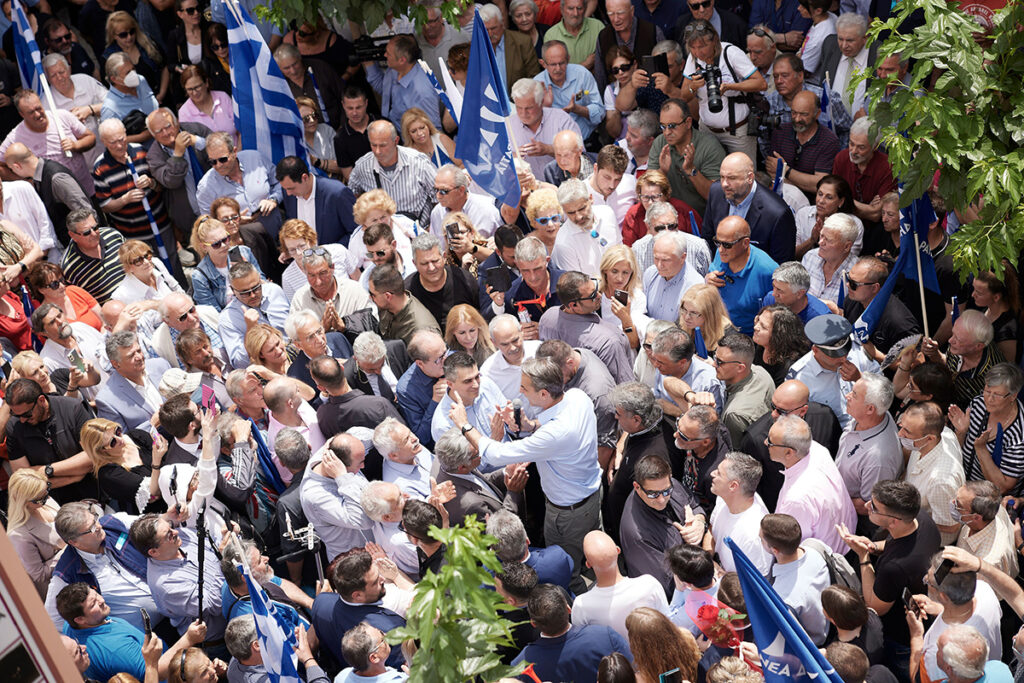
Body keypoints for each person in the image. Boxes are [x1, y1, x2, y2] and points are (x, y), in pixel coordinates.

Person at [450, 357, 602, 593]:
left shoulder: (556, 433)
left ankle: (579, 601)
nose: (519, 392)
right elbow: (547, 431)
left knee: (568, 571)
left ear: (543, 394)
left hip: (567, 513)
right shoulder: (576, 397)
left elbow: (498, 454)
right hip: (590, 496)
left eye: (524, 388)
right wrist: (527, 426)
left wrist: (464, 425)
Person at [837, 480, 942, 680]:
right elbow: (896, 543)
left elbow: (874, 605)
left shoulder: (895, 567)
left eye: (874, 507)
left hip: (901, 638)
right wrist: (873, 547)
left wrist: (863, 556)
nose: (867, 506)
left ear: (893, 521)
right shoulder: (921, 519)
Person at [92, 118, 178, 276]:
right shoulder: (100, 167)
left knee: (172, 262)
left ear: (126, 134)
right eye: (113, 142)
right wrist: (125, 199)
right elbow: (105, 205)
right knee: (148, 271)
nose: (119, 145)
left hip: (160, 224)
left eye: (121, 139)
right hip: (133, 234)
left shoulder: (142, 151)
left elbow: (162, 186)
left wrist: (151, 183)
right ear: (103, 142)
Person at [678, 21, 767, 160]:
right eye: (693, 47)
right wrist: (694, 87)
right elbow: (684, 96)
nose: (698, 52)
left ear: (714, 40)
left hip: (737, 131)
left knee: (743, 176)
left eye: (702, 46)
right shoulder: (693, 58)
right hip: (707, 130)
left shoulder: (731, 53)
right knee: (710, 174)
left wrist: (729, 87)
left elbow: (761, 83)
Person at [619, 455, 707, 594]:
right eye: (653, 494)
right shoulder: (638, 535)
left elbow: (694, 504)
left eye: (666, 491)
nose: (661, 500)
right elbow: (667, 583)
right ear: (637, 487)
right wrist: (694, 549)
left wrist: (699, 522)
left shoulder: (670, 484)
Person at [769, 413, 857, 552]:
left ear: (789, 453)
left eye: (770, 442)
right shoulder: (817, 449)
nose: (765, 443)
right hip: (845, 541)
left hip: (826, 562)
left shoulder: (797, 500)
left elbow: (791, 548)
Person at [310, 547, 410, 669]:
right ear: (357, 595)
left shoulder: (321, 602)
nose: (383, 579)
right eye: (375, 581)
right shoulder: (391, 627)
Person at [7, 376, 98, 504]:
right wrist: (73, 477)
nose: (22, 420)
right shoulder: (14, 427)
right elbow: (23, 479)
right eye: (16, 415)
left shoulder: (73, 409)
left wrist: (46, 470)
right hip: (51, 501)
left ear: (41, 400)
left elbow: (92, 457)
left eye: (27, 414)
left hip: (93, 492)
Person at [513, 583, 632, 681]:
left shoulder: (520, 665)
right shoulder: (605, 636)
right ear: (568, 609)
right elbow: (633, 669)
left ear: (533, 623)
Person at [571, 530, 670, 639]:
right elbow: (668, 622)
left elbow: (583, 641)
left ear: (588, 564)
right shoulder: (649, 584)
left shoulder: (581, 605)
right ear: (618, 550)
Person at [702, 152, 797, 264]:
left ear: (750, 178)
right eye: (722, 177)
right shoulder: (716, 192)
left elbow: (783, 266)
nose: (724, 184)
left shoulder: (777, 214)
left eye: (732, 178)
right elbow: (708, 238)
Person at [835, 373, 902, 527]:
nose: (847, 396)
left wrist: (832, 498)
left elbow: (867, 506)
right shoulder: (872, 417)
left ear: (870, 409)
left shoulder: (878, 459)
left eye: (854, 395)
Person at [1, 90, 97, 196]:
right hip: (55, 200)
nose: (37, 114)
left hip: (86, 189)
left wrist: (76, 145)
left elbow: (91, 137)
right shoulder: (15, 137)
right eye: (31, 112)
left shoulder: (62, 116)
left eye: (38, 108)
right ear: (21, 114)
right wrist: (26, 182)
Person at [348, 120, 438, 226]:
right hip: (381, 235)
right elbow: (352, 195)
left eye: (383, 145)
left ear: (396, 141)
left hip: (418, 230)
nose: (377, 151)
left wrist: (431, 228)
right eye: (373, 145)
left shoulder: (419, 162)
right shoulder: (362, 166)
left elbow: (439, 196)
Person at [144, 108, 211, 247]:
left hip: (219, 204)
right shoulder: (154, 156)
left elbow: (219, 147)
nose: (166, 133)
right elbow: (170, 181)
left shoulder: (195, 129)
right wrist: (178, 154)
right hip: (191, 220)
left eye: (168, 126)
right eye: (159, 131)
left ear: (176, 123)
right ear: (153, 135)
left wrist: (197, 141)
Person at [953, 362, 1024, 495]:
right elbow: (958, 449)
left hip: (986, 500)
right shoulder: (978, 404)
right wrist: (961, 433)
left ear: (1013, 396)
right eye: (987, 391)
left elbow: (1002, 487)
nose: (989, 399)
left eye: (997, 395)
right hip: (961, 484)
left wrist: (981, 449)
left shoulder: (1018, 436)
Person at [760, 513, 832, 645]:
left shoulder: (783, 598)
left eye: (761, 540)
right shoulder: (814, 547)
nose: (759, 541)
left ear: (775, 550)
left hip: (813, 644)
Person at [4, 142, 91, 250]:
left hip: (86, 245)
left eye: (11, 169)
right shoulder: (39, 178)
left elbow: (87, 211)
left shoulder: (56, 178)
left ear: (17, 166)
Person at [900, 401, 965, 544]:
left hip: (930, 541)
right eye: (901, 427)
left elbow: (951, 526)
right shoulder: (942, 433)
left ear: (930, 438)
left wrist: (905, 521)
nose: (900, 434)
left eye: (907, 432)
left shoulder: (941, 481)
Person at [196, 132, 283, 239]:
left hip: (275, 227)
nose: (218, 165)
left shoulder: (256, 159)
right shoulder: (206, 186)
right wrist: (231, 222)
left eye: (223, 159)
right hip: (242, 239)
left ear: (234, 152)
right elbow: (208, 224)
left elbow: (280, 182)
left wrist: (273, 200)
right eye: (213, 162)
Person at [648, 99, 726, 217]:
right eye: (663, 126)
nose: (667, 132)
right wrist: (662, 172)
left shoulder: (709, 146)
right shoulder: (660, 143)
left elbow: (715, 196)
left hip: (702, 219)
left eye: (672, 126)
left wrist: (691, 170)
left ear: (688, 122)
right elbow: (647, 190)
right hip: (667, 219)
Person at [706, 215, 780, 335]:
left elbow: (777, 315)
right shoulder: (723, 253)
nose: (720, 249)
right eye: (717, 242)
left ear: (745, 243)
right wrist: (708, 280)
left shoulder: (768, 270)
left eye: (727, 245)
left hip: (747, 341)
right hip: (716, 331)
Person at [767, 90, 842, 196]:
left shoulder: (829, 141)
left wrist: (786, 170)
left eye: (803, 114)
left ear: (817, 114)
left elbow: (820, 184)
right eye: (794, 113)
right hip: (781, 195)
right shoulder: (780, 132)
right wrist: (802, 182)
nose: (797, 119)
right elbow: (772, 171)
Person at [709, 452, 771, 575]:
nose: (712, 474)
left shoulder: (754, 537)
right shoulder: (724, 497)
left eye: (719, 473)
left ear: (733, 486)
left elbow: (753, 585)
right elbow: (711, 530)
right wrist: (708, 559)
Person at [217, 262, 289, 368]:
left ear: (260, 279)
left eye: (256, 288)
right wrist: (250, 331)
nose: (253, 295)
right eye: (245, 292)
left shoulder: (275, 291)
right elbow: (240, 364)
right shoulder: (227, 320)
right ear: (233, 290)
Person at [362, 34, 441, 130]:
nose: (385, 55)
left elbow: (432, 129)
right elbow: (385, 92)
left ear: (401, 60)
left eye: (388, 53)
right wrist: (368, 62)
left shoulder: (422, 92)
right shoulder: (394, 71)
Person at [95, 331, 171, 430]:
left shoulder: (161, 366)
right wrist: (152, 424)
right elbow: (123, 441)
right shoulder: (107, 401)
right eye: (131, 356)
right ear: (116, 364)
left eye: (139, 351)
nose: (139, 357)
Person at [276, 155, 358, 247]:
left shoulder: (337, 193)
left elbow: (356, 232)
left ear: (305, 178)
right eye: (285, 189)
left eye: (291, 188)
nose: (288, 193)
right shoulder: (289, 191)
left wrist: (328, 252)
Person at [6, 468, 65, 598]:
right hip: (63, 586)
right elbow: (38, 575)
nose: (46, 499)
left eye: (46, 492)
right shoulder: (18, 534)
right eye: (39, 499)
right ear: (23, 500)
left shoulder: (46, 501)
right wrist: (67, 550)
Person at [509, 77, 583, 178]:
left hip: (562, 186)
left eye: (529, 108)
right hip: (525, 188)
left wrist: (549, 149)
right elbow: (496, 161)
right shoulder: (508, 125)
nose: (523, 113)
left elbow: (581, 156)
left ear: (541, 103)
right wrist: (513, 156)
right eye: (519, 107)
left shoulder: (561, 119)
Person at [406, 233, 480, 330]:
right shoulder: (407, 291)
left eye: (435, 261)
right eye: (424, 263)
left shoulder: (465, 281)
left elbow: (480, 318)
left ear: (444, 257)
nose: (431, 268)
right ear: (414, 264)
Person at [533, 39, 603, 140]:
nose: (558, 69)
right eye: (553, 64)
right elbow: (532, 123)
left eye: (562, 63)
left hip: (585, 139)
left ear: (568, 59)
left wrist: (577, 109)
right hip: (553, 143)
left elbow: (600, 112)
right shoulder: (537, 84)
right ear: (543, 64)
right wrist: (546, 108)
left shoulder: (582, 74)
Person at [715, 332, 774, 445]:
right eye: (715, 358)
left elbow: (735, 452)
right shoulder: (760, 371)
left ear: (740, 368)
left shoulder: (734, 415)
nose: (714, 364)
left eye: (720, 362)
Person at [289, 247, 372, 326]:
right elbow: (294, 337)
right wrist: (321, 328)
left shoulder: (354, 291)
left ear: (332, 267)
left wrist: (345, 326)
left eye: (322, 273)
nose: (318, 282)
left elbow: (370, 324)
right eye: (312, 275)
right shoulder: (299, 300)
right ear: (305, 272)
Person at [953, 481, 1019, 578]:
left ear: (976, 517)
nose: (953, 503)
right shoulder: (993, 509)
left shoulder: (985, 565)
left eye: (959, 505)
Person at [60, 209, 125, 305]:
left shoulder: (113, 236)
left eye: (95, 228)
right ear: (73, 235)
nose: (94, 234)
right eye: (86, 232)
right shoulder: (69, 267)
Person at [102, 11, 169, 105]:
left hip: (160, 98)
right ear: (114, 36)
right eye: (123, 35)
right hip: (133, 106)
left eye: (132, 32)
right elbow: (113, 89)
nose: (129, 37)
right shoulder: (109, 57)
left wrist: (161, 94)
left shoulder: (147, 43)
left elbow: (164, 67)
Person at [396, 330, 449, 448]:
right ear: (420, 364)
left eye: (446, 352)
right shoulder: (406, 391)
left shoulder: (449, 357)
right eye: (439, 359)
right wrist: (435, 401)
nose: (446, 360)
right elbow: (421, 437)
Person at [643, 230, 704, 322]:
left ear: (682, 257)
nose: (659, 265)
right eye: (656, 258)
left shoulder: (695, 286)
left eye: (665, 260)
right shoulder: (650, 273)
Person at [430, 165, 502, 242]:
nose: (438, 196)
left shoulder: (486, 210)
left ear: (461, 190)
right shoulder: (437, 212)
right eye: (436, 189)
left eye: (444, 191)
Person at [26, 262, 103, 332]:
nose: (62, 286)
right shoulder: (46, 316)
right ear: (42, 290)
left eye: (61, 280)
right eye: (54, 284)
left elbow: (103, 319)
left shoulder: (75, 291)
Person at [100, 53, 159, 144]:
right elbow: (111, 141)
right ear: (114, 79)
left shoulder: (141, 81)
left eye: (133, 69)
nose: (133, 75)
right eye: (128, 73)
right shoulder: (110, 109)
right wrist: (143, 136)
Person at [802, 213, 860, 304]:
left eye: (828, 240)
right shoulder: (810, 257)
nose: (820, 242)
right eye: (821, 236)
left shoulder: (857, 275)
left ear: (847, 246)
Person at [110, 239, 184, 305]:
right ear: (128, 267)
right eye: (138, 260)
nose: (146, 262)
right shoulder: (123, 295)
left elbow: (175, 287)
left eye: (146, 256)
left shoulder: (156, 263)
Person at [345, 331, 411, 403]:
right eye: (371, 370)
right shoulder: (347, 377)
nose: (379, 372)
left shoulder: (397, 348)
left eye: (382, 365)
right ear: (356, 359)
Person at [176, 64, 236, 137]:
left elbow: (240, 128)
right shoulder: (184, 113)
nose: (194, 93)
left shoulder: (223, 97)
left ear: (206, 83)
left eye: (197, 87)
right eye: (190, 89)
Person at [603, 45, 637, 141]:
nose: (621, 72)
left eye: (624, 67)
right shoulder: (610, 90)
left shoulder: (644, 84)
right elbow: (614, 132)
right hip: (623, 141)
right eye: (615, 70)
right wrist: (618, 109)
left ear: (634, 65)